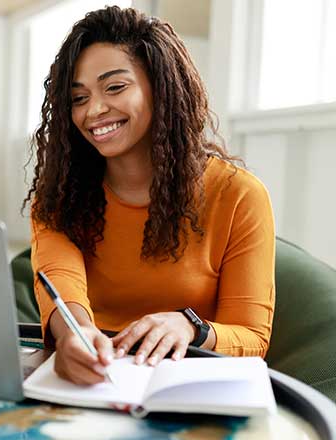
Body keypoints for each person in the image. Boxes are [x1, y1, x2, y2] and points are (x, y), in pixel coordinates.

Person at [24, 6, 275, 386]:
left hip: (191, 384)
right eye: (78, 98)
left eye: (115, 87)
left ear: (161, 86)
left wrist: (190, 327)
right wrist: (73, 332)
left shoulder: (238, 195)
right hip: (91, 381)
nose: (94, 110)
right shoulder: (59, 194)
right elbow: (62, 281)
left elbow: (252, 337)